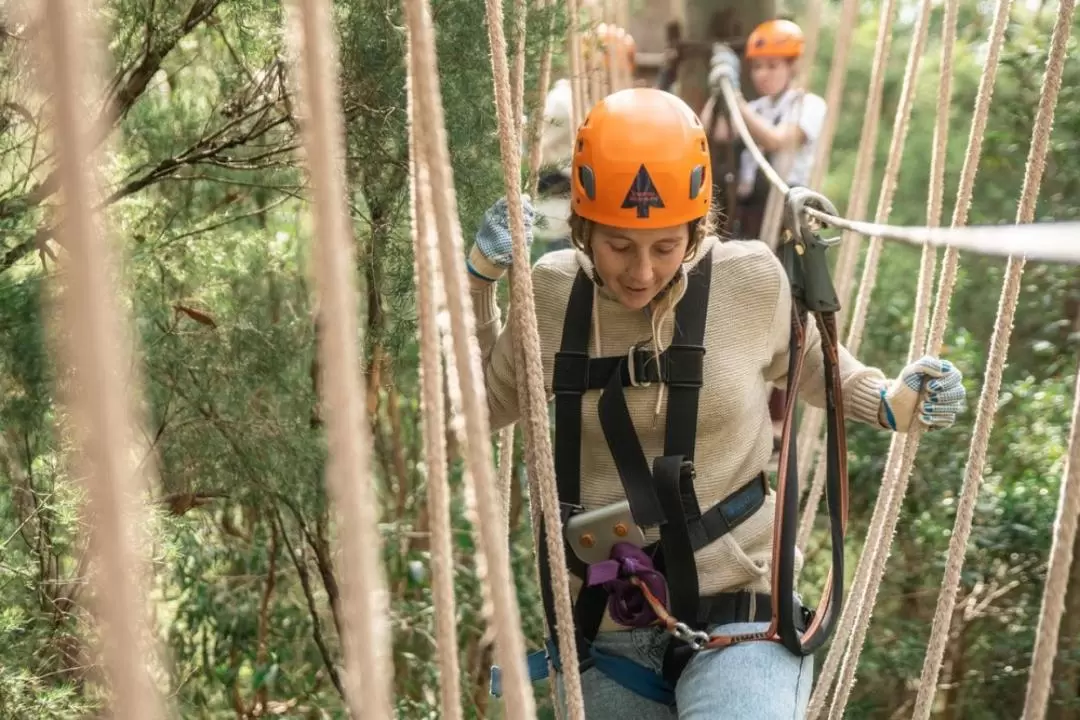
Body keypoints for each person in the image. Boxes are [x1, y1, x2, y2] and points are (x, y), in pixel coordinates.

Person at [469, 88, 966, 718]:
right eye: (619, 246)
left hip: (742, 603)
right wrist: (479, 286)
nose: (642, 272)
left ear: (697, 230)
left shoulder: (749, 279)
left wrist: (895, 400)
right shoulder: (550, 293)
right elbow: (479, 406)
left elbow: (819, 368)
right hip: (604, 623)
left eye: (665, 246)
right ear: (583, 229)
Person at [700, 18, 826, 240]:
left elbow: (776, 141)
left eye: (772, 65)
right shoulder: (756, 108)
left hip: (787, 210)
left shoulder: (809, 105)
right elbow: (711, 132)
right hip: (750, 210)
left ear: (793, 66)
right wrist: (719, 89)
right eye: (757, 67)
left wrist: (737, 101)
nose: (762, 74)